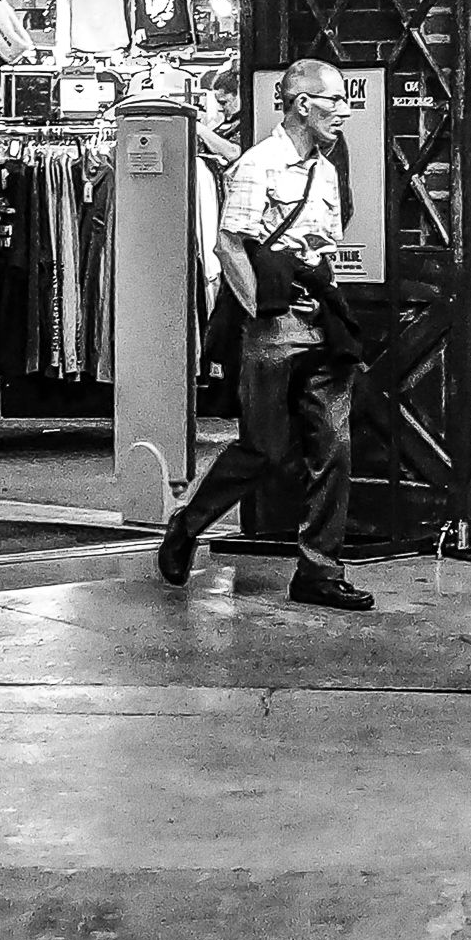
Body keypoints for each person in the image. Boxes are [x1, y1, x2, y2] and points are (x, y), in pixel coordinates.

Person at [157, 58, 372, 610]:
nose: (344, 112)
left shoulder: (325, 168)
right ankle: (189, 524)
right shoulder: (258, 164)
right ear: (303, 104)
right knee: (265, 450)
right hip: (274, 326)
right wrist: (259, 309)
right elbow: (229, 245)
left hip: (321, 320)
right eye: (335, 101)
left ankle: (319, 572)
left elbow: (325, 239)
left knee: (336, 447)